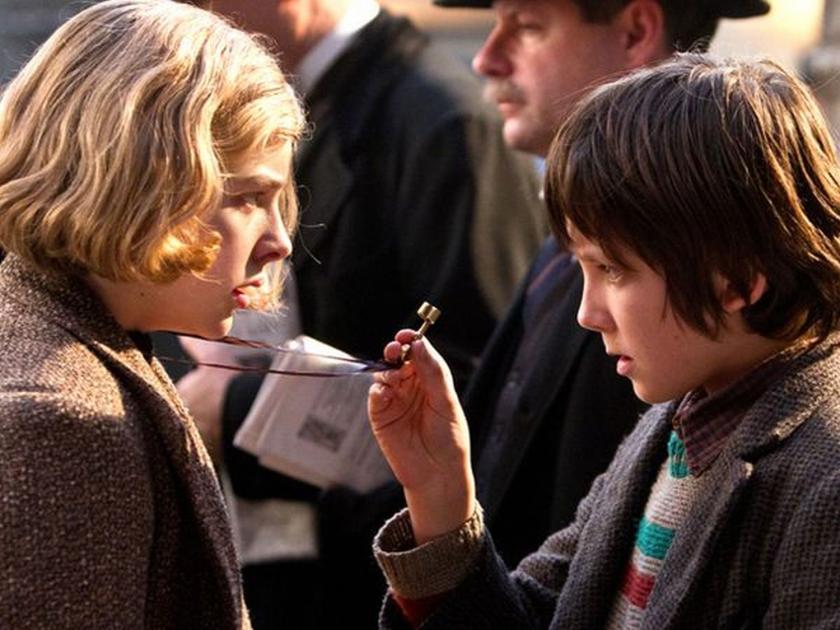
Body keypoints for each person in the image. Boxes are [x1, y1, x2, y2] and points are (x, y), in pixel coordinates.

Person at [368, 54, 840, 628]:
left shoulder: (825, 476)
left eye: (612, 269)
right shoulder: (676, 425)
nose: (587, 315)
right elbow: (536, 616)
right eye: (582, 268)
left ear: (737, 279)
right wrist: (441, 495)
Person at [170, 1, 546, 627]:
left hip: (382, 582)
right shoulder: (317, 96)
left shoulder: (445, 121)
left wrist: (233, 408)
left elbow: (483, 390)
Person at [431, 0, 769, 567]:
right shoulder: (562, 245)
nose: (486, 59)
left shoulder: (700, 294)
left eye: (528, 26)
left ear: (636, 31)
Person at [0, 0, 305, 626]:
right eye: (250, 197)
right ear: (142, 185)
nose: (279, 242)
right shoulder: (58, 419)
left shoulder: (92, 337)